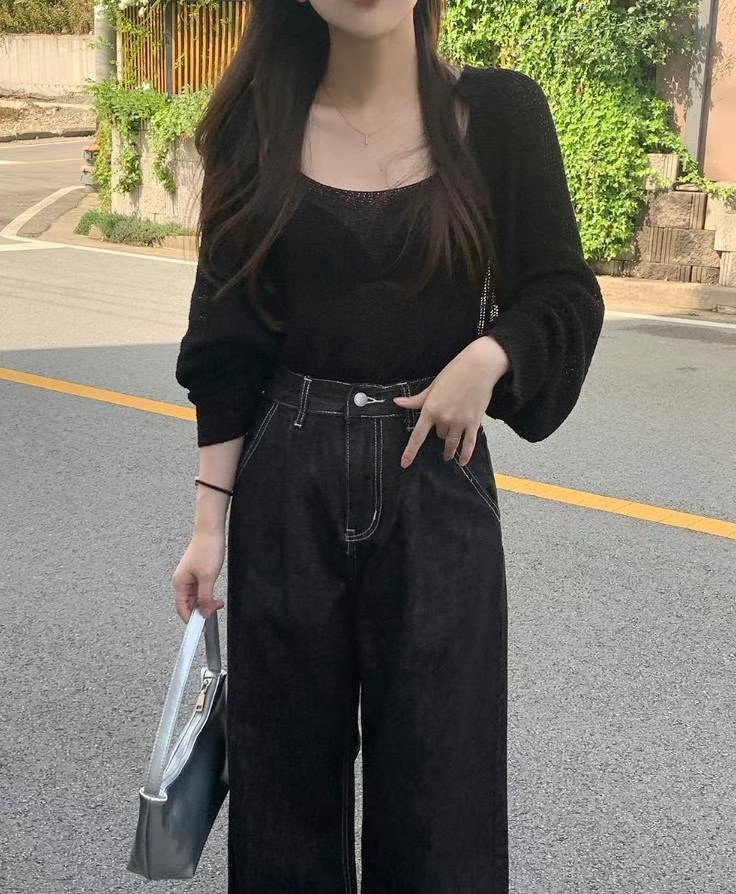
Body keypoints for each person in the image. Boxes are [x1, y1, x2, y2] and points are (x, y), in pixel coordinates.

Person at [172, 1, 605, 891]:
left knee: (444, 795)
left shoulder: (499, 115)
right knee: (282, 793)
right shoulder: (258, 126)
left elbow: (564, 292)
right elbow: (226, 342)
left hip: (437, 482)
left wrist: (490, 357)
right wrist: (208, 526)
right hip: (286, 488)